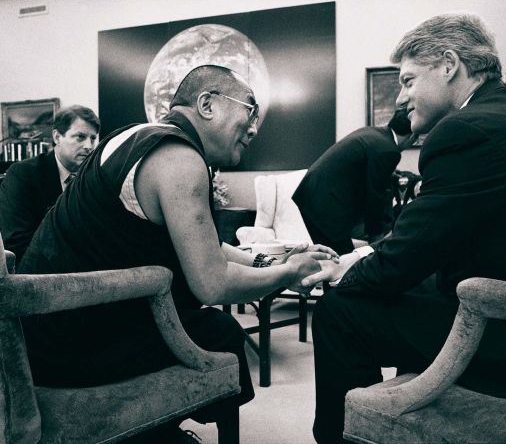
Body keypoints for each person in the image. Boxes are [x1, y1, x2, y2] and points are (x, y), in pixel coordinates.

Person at [19, 65, 335, 442]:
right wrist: (289, 274)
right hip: (71, 346)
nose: (254, 127)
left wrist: (275, 261)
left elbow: (206, 246)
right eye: (250, 110)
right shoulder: (179, 159)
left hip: (40, 331)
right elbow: (212, 284)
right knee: (221, 332)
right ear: (207, 104)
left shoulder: (135, 136)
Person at [303, 14, 506, 443]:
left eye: (407, 80)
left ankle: (351, 434)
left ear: (448, 65)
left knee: (339, 310)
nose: (402, 97)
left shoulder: (466, 129)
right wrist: (366, 254)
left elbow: (402, 264)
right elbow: (429, 230)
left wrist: (343, 271)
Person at [292, 108, 416, 255]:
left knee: (330, 257)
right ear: (412, 136)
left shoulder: (374, 134)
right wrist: (376, 237)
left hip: (312, 196)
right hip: (326, 205)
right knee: (340, 260)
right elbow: (376, 195)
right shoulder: (389, 150)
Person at [0, 105, 100, 265]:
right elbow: (16, 243)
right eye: (80, 137)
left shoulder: (94, 178)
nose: (89, 146)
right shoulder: (23, 174)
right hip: (40, 275)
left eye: (93, 138)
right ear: (57, 137)